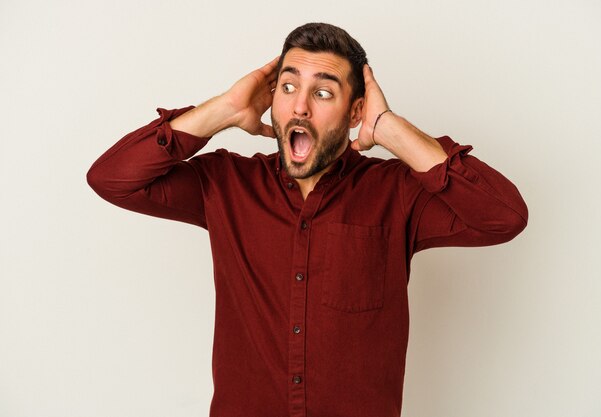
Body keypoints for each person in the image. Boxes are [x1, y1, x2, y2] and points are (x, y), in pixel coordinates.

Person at [87, 22, 528, 417]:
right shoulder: (225, 184)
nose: (299, 108)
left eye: (322, 93)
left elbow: (503, 217)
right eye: (287, 88)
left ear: (355, 112)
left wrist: (389, 127)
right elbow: (112, 179)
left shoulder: (398, 194)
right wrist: (223, 108)